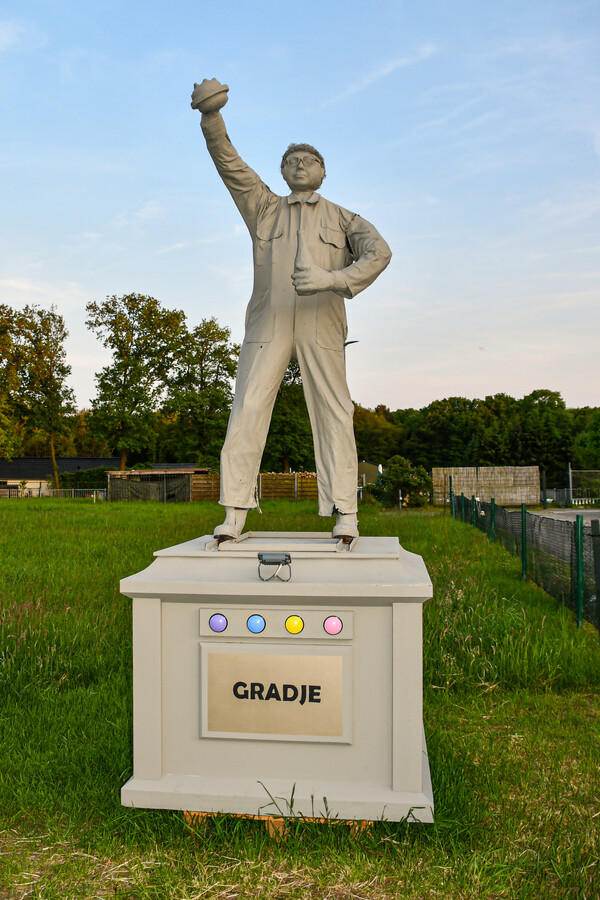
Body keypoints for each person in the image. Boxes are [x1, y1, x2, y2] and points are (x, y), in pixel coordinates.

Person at [191, 79, 392, 541]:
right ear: (282, 171)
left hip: (323, 320)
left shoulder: (345, 218)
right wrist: (211, 118)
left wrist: (333, 280)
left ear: (324, 171)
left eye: (309, 161)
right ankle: (235, 511)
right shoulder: (263, 208)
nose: (300, 166)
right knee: (247, 408)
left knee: (334, 411)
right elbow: (229, 164)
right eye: (291, 161)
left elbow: (380, 253)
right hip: (269, 321)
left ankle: (346, 513)